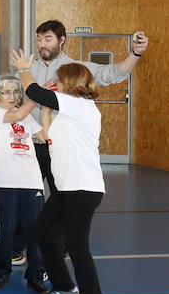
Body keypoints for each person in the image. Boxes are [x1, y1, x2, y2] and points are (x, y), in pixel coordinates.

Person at [12, 51, 110, 294]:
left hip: (83, 189)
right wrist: (45, 112)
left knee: (79, 247)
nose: (56, 80)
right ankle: (65, 286)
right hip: (67, 190)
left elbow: (33, 90)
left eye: (60, 78)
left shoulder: (82, 106)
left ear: (72, 82)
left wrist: (25, 69)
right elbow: (46, 134)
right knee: (43, 231)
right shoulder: (68, 114)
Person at [29, 20, 149, 194]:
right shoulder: (27, 69)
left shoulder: (76, 69)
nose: (42, 44)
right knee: (30, 199)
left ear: (61, 40)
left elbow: (114, 74)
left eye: (48, 39)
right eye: (39, 39)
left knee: (62, 198)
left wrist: (135, 53)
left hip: (60, 147)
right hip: (30, 145)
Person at [0, 73, 47, 293]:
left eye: (16, 91)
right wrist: (37, 96)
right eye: (7, 92)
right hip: (4, 181)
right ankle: (1, 272)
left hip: (31, 180)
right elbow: (19, 113)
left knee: (35, 229)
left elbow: (45, 136)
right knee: (6, 229)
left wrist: (46, 107)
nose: (12, 96)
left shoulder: (28, 117)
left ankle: (36, 275)